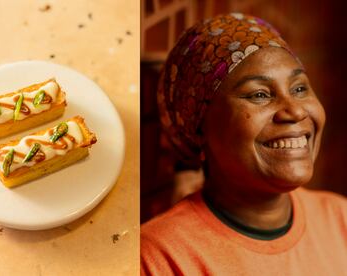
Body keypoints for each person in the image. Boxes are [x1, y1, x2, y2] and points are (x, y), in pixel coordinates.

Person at [141, 13, 347, 275]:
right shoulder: (159, 259)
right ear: (200, 127)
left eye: (299, 88)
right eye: (259, 94)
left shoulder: (340, 219)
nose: (295, 112)